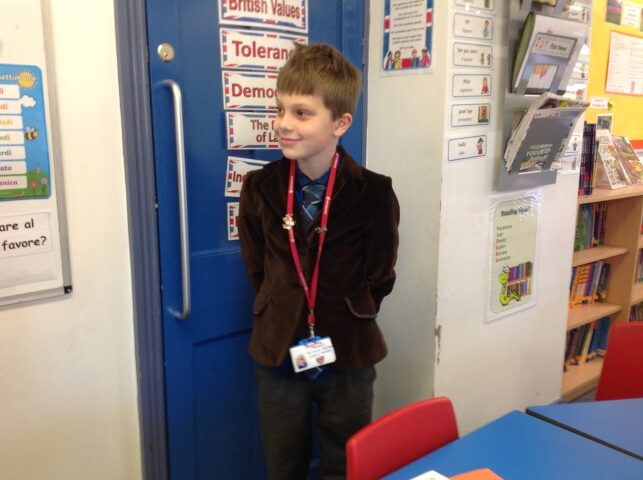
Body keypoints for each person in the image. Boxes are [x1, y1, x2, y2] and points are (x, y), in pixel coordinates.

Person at [238, 43, 399, 480]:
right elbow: (257, 267)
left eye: (302, 113)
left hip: (349, 349)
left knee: (345, 464)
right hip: (278, 349)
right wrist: (284, 306)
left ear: (340, 123)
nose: (283, 124)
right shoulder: (259, 188)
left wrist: (345, 311)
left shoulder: (374, 192)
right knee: (282, 464)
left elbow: (380, 275)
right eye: (280, 109)